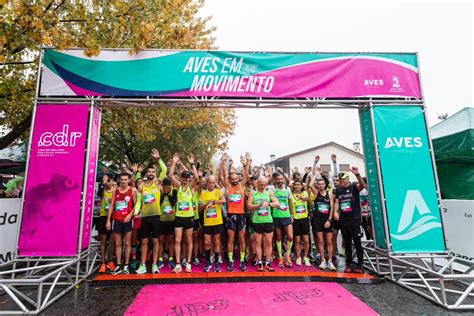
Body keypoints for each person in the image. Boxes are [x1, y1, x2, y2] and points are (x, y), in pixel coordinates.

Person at [135, 149, 168, 274]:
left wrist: (158, 159)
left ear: (155, 173)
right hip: (145, 217)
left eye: (153, 171)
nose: (150, 173)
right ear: (146, 173)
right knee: (144, 241)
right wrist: (136, 212)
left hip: (156, 216)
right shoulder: (141, 185)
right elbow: (139, 201)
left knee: (155, 241)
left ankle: (154, 265)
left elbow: (164, 170)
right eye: (149, 171)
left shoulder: (158, 183)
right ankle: (143, 265)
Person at [168, 153, 199, 273]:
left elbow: (196, 177)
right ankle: (177, 264)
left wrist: (192, 164)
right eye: (183, 178)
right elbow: (170, 175)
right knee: (177, 240)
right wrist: (175, 162)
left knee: (189, 240)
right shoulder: (178, 186)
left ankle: (188, 263)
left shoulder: (191, 187)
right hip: (179, 217)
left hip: (189, 217)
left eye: (187, 178)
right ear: (181, 178)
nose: (185, 179)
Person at [220, 153, 249, 272]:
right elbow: (223, 177)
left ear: (239, 179)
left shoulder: (242, 186)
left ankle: (242, 261)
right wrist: (223, 163)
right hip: (231, 216)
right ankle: (231, 261)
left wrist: (246, 163)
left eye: (236, 179)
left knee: (242, 239)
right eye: (232, 179)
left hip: (241, 216)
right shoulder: (228, 187)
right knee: (231, 239)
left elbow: (246, 174)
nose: (234, 180)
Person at [334, 167, 366, 273]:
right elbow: (337, 202)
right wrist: (335, 212)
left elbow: (362, 185)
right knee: (346, 243)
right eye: (340, 181)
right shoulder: (338, 190)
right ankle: (349, 264)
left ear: (347, 179)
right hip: (344, 220)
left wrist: (357, 174)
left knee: (357, 243)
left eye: (343, 181)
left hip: (355, 220)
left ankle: (360, 264)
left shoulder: (353, 187)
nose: (341, 182)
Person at [106, 173, 137, 274]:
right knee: (118, 243)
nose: (123, 182)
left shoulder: (132, 190)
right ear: (119, 180)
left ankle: (126, 265)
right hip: (117, 220)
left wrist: (130, 215)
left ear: (128, 180)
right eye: (122, 180)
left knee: (127, 243)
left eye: (125, 180)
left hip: (127, 220)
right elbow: (111, 205)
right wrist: (108, 220)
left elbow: (136, 205)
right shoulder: (116, 190)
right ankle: (119, 265)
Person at [247, 176, 280, 271]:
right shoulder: (253, 193)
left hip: (268, 220)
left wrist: (269, 204)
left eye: (265, 185)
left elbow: (277, 204)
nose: (263, 186)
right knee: (258, 242)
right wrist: (259, 205)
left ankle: (268, 263)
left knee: (269, 242)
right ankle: (260, 262)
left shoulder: (269, 192)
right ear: (257, 183)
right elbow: (249, 206)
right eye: (261, 185)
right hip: (257, 221)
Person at [309, 177, 336, 271]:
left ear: (325, 184)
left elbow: (332, 208)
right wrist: (314, 175)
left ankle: (330, 261)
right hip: (318, 220)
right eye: (319, 184)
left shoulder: (330, 194)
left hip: (327, 220)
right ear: (317, 185)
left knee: (329, 241)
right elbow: (309, 185)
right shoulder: (316, 193)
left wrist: (329, 220)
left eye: (322, 184)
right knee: (320, 240)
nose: (320, 185)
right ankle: (323, 260)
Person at [200, 175, 226, 272]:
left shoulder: (218, 192)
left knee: (216, 241)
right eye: (210, 182)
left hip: (217, 222)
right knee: (207, 242)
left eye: (213, 182)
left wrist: (214, 202)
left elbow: (223, 201)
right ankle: (208, 262)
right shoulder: (203, 194)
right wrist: (206, 204)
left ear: (215, 182)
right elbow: (199, 208)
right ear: (207, 183)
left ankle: (215, 262)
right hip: (207, 222)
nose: (212, 184)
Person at [269, 171, 293, 268]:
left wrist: (292, 215)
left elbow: (290, 202)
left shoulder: (287, 189)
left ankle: (287, 254)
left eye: (281, 179)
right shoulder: (272, 188)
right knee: (278, 237)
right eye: (278, 179)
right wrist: (273, 174)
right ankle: (280, 257)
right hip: (276, 216)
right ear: (275, 180)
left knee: (290, 237)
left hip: (286, 215)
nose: (280, 181)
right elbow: (266, 183)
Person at [291, 180, 311, 266]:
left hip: (304, 219)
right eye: (295, 185)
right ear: (293, 186)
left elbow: (306, 198)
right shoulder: (291, 195)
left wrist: (300, 197)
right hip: (296, 220)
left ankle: (306, 257)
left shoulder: (304, 193)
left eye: (299, 185)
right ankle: (298, 257)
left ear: (301, 186)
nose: (297, 186)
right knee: (297, 240)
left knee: (306, 240)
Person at [98, 177, 116, 273]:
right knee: (103, 241)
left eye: (110, 180)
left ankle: (111, 261)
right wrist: (103, 184)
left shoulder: (115, 190)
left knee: (112, 241)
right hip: (103, 216)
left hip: (113, 217)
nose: (109, 182)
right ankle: (103, 263)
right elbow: (99, 194)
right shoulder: (103, 190)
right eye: (107, 181)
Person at [159, 177, 177, 268]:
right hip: (161, 220)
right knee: (161, 240)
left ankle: (170, 258)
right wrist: (163, 194)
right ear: (162, 186)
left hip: (171, 220)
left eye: (168, 186)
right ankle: (160, 259)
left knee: (171, 239)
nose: (166, 188)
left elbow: (174, 203)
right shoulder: (160, 193)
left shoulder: (174, 192)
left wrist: (168, 194)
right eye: (164, 186)